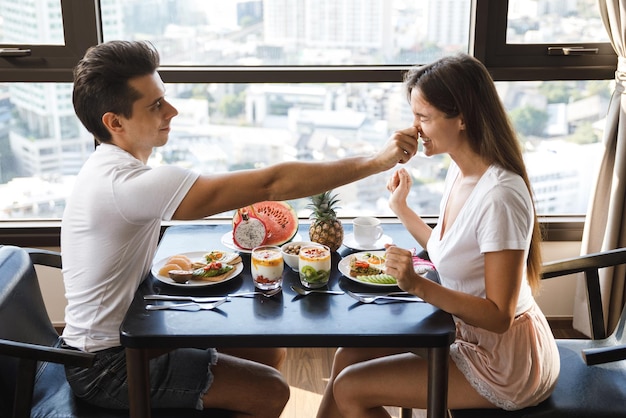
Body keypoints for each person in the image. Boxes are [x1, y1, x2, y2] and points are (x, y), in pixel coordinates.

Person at [59, 40, 417, 417]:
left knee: (269, 350)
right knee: (270, 391)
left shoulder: (110, 168)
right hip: (107, 367)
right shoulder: (127, 185)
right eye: (155, 106)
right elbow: (270, 184)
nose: (173, 110)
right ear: (114, 122)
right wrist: (378, 161)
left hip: (125, 340)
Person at [316, 54, 560, 417]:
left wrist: (416, 285)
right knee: (347, 356)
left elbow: (498, 317)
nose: (414, 129)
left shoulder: (500, 197)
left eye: (423, 118)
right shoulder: (460, 173)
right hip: (465, 334)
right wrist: (401, 207)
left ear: (462, 118)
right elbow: (447, 249)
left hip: (505, 363)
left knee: (350, 388)